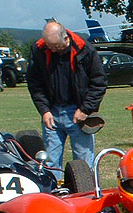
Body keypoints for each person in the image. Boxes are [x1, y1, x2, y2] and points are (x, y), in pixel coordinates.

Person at [27, 20, 107, 180]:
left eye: (56, 46)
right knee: (50, 162)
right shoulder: (39, 49)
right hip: (52, 113)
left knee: (83, 161)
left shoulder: (85, 50)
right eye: (50, 46)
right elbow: (34, 83)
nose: (53, 49)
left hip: (78, 113)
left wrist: (85, 109)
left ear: (66, 38)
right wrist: (44, 110)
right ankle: (54, 196)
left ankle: (83, 196)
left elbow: (99, 83)